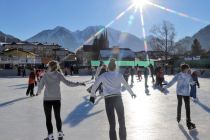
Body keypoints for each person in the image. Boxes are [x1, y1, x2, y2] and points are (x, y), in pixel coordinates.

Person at [36, 60, 85, 140]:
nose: (47, 67)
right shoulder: (58, 75)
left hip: (47, 100)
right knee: (57, 117)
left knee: (48, 118)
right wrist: (78, 83)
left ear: (50, 66)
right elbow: (68, 83)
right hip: (56, 100)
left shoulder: (45, 75)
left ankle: (50, 136)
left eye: (48, 65)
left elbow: (40, 86)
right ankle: (60, 133)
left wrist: (38, 92)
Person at [90, 59, 136, 140]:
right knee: (121, 122)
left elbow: (95, 84)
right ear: (115, 67)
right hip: (118, 99)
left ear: (108, 67)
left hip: (108, 100)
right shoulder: (119, 75)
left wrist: (92, 95)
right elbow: (126, 85)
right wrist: (132, 93)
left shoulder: (104, 75)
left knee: (112, 124)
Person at [164, 64, 196, 130]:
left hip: (186, 93)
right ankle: (178, 117)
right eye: (187, 68)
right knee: (180, 104)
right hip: (180, 93)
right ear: (184, 69)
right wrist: (166, 86)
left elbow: (191, 82)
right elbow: (172, 81)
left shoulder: (188, 75)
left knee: (188, 107)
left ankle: (188, 122)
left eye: (188, 68)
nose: (188, 69)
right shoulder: (178, 75)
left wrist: (194, 82)